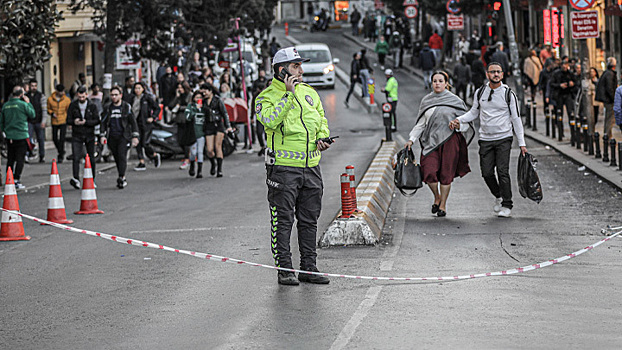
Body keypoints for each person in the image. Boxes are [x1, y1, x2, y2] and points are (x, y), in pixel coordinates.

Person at [255, 47, 332, 285]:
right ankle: (285, 269)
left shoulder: (309, 92)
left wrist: (323, 137)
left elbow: (320, 119)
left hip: (311, 167)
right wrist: (287, 95)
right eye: (296, 66)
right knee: (283, 219)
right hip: (283, 169)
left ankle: (309, 267)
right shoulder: (266, 97)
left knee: (309, 219)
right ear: (282, 71)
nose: (301, 70)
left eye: (301, 65)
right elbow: (270, 120)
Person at [450, 62, 527, 218]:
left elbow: (516, 118)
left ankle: (507, 204)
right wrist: (459, 120)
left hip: (504, 138)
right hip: (485, 139)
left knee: (502, 171)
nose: (496, 74)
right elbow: (473, 113)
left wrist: (522, 143)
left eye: (498, 72)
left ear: (503, 74)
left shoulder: (508, 94)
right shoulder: (480, 92)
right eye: (493, 72)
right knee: (486, 173)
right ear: (487, 74)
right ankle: (498, 195)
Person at [405, 71, 474, 217]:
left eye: (440, 81)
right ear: (431, 83)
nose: (437, 83)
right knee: (428, 171)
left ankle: (442, 205)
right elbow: (421, 124)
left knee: (446, 174)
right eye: (435, 81)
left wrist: (458, 126)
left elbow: (466, 125)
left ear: (446, 83)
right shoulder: (427, 101)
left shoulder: (455, 101)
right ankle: (436, 196)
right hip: (431, 142)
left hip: (450, 142)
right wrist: (411, 139)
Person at [100, 86, 139, 189]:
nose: (114, 97)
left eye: (116, 95)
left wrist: (135, 136)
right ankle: (122, 175)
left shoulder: (126, 107)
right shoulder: (108, 108)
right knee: (117, 157)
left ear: (120, 95)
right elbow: (103, 122)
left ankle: (121, 177)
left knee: (122, 155)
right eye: (112, 95)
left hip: (124, 136)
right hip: (112, 137)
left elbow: (133, 122)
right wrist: (102, 135)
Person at [0, 86, 35, 189]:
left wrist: (4, 132)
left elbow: (1, 122)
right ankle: (16, 179)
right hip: (21, 135)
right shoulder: (23, 105)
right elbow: (32, 114)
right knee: (20, 159)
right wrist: (28, 102)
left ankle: (9, 179)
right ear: (21, 95)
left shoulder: (5, 106)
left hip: (9, 136)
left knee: (10, 158)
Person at [66, 86, 100, 189]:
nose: (81, 98)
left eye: (83, 96)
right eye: (79, 97)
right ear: (77, 95)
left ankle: (91, 179)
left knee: (91, 158)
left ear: (86, 94)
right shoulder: (73, 105)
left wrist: (87, 122)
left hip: (89, 134)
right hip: (77, 134)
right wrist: (74, 122)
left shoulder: (92, 105)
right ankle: (76, 178)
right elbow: (68, 120)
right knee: (76, 157)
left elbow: (97, 120)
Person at [202, 84, 231, 177]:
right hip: (209, 126)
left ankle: (219, 169)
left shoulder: (218, 100)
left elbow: (224, 113)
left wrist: (228, 126)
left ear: (210, 91)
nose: (204, 93)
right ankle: (213, 163)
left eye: (205, 91)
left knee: (218, 146)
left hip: (218, 125)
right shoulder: (203, 102)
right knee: (209, 150)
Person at [131, 82, 161, 171]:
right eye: (136, 88)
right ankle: (141, 162)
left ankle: (154, 155)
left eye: (139, 88)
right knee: (137, 143)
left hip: (145, 124)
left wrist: (153, 117)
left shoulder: (147, 98)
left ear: (143, 89)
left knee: (145, 143)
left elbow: (157, 108)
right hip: (135, 123)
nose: (137, 90)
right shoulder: (132, 99)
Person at [169, 82, 193, 170]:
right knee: (180, 140)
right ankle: (188, 155)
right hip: (179, 121)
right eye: (179, 88)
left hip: (187, 121)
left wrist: (180, 108)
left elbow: (191, 106)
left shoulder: (190, 96)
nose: (180, 89)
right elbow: (171, 105)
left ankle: (187, 159)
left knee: (186, 140)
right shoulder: (179, 97)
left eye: (181, 88)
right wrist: (177, 96)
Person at [550, 59, 578, 133]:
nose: (565, 67)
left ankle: (573, 132)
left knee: (570, 113)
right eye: (563, 65)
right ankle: (560, 132)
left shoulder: (571, 74)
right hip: (559, 95)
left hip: (568, 94)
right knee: (559, 113)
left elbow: (576, 83)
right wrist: (560, 85)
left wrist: (572, 84)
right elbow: (551, 84)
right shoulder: (556, 74)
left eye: (566, 65)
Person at [47, 84, 71, 163]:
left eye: (63, 91)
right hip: (54, 121)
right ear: (57, 91)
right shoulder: (50, 99)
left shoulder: (67, 100)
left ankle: (60, 155)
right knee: (54, 138)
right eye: (60, 91)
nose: (62, 93)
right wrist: (51, 113)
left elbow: (69, 110)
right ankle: (61, 150)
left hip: (63, 120)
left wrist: (69, 121)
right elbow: (48, 109)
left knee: (62, 139)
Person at [595, 57, 618, 137]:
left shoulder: (607, 73)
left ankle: (607, 135)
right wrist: (614, 99)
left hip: (608, 100)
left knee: (609, 119)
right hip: (609, 100)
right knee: (610, 119)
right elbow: (610, 88)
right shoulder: (610, 74)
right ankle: (607, 137)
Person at [185, 90, 205, 178]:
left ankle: (199, 171)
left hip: (201, 133)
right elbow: (187, 117)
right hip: (192, 133)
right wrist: (195, 109)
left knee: (200, 152)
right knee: (193, 152)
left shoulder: (204, 107)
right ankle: (192, 164)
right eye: (197, 97)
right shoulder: (190, 106)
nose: (198, 99)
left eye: (200, 97)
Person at [25, 79, 45, 163]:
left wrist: (44, 121)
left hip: (38, 120)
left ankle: (42, 155)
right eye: (32, 86)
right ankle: (27, 154)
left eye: (35, 86)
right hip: (29, 121)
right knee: (28, 139)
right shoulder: (26, 96)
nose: (34, 87)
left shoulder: (41, 96)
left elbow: (44, 109)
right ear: (29, 86)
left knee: (41, 139)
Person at [587, 67, 601, 134]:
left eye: (593, 71)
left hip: (596, 101)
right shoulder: (587, 81)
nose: (592, 73)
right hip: (589, 101)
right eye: (591, 72)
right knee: (590, 117)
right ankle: (590, 130)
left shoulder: (598, 81)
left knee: (595, 117)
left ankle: (592, 129)